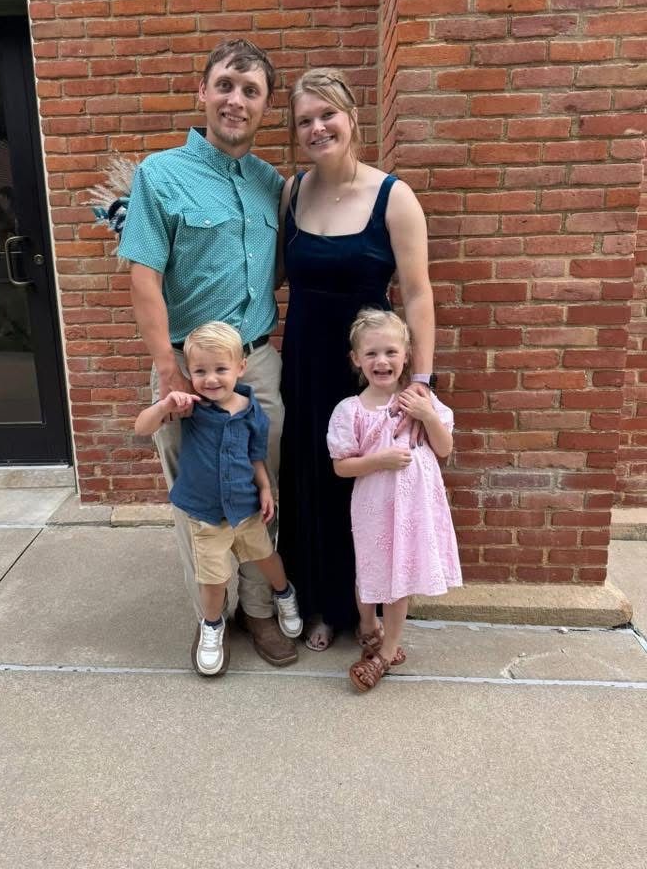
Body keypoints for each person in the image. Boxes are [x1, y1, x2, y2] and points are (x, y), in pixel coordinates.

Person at [118, 40, 297, 668]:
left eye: (251, 92)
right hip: (185, 374)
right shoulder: (159, 175)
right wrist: (170, 374)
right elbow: (143, 276)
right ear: (202, 93)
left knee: (259, 493)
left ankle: (258, 612)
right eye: (225, 85)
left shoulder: (271, 184)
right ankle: (211, 619)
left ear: (265, 107)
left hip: (256, 368)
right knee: (196, 501)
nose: (236, 101)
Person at [277, 68, 436, 651]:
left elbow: (417, 293)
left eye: (327, 115)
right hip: (305, 362)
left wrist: (419, 384)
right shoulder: (292, 192)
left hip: (370, 369)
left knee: (371, 492)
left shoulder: (395, 197)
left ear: (351, 118)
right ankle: (322, 605)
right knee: (315, 477)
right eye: (304, 121)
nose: (317, 128)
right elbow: (269, 275)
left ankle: (366, 608)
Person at [135, 322, 302, 676]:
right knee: (212, 578)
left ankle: (284, 594)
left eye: (220, 369)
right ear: (188, 372)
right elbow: (143, 427)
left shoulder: (251, 409)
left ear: (241, 367)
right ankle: (212, 626)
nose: (211, 379)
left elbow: (257, 454)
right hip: (206, 513)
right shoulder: (191, 408)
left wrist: (266, 488)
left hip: (246, 508)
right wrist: (165, 403)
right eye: (200, 371)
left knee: (267, 558)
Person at [326, 309, 461, 691]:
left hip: (413, 506)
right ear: (356, 360)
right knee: (368, 570)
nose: (381, 361)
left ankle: (387, 652)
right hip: (372, 505)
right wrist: (379, 461)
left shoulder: (421, 401)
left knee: (400, 578)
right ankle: (368, 627)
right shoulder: (349, 410)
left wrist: (427, 415)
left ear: (406, 355)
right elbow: (341, 467)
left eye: (390, 352)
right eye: (370, 354)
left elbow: (444, 448)